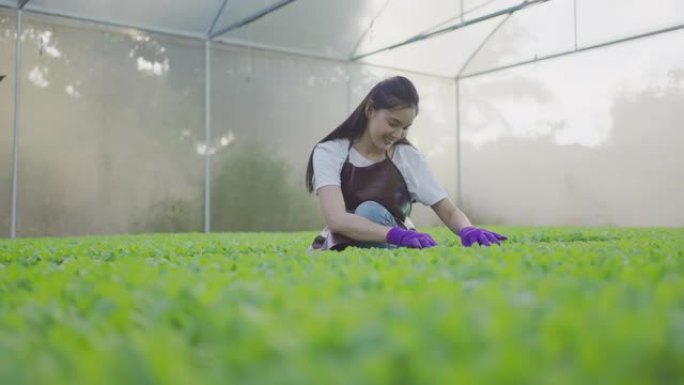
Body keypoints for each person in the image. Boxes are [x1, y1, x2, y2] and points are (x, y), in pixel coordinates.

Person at [305, 76, 507, 250]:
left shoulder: (407, 156)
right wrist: (396, 235)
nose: (398, 134)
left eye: (405, 127)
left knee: (369, 212)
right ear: (370, 110)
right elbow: (336, 220)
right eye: (393, 123)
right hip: (346, 242)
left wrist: (467, 228)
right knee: (368, 211)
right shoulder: (330, 151)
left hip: (399, 243)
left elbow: (448, 210)